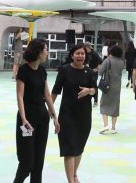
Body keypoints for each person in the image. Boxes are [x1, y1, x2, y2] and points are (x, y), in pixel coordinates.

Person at [14, 39, 59, 183]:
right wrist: (24, 118)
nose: (47, 52)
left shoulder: (42, 71)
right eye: (46, 49)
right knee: (27, 161)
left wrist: (54, 116)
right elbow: (20, 96)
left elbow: (47, 95)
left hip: (42, 117)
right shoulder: (24, 71)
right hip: (28, 119)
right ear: (38, 52)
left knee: (39, 162)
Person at [51, 44, 96, 182]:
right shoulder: (64, 70)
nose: (80, 56)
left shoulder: (89, 72)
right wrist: (50, 113)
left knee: (79, 147)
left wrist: (89, 91)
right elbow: (55, 92)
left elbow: (95, 89)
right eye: (77, 53)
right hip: (67, 115)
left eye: (82, 54)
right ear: (72, 55)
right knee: (69, 149)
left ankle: (74, 175)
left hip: (84, 116)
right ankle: (71, 180)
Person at [98, 44, 125, 134]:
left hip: (107, 86)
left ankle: (106, 125)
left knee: (103, 104)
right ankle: (113, 128)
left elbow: (100, 72)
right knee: (115, 106)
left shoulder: (107, 61)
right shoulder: (122, 62)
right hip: (117, 87)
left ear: (111, 52)